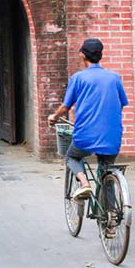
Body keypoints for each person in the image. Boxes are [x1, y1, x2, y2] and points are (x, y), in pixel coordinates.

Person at [48, 38, 128, 201]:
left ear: (82, 55)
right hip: (112, 136)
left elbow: (65, 107)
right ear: (101, 55)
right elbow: (121, 104)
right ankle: (111, 217)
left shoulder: (78, 78)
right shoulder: (114, 78)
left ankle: (84, 184)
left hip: (85, 136)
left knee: (72, 156)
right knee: (106, 170)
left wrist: (53, 117)